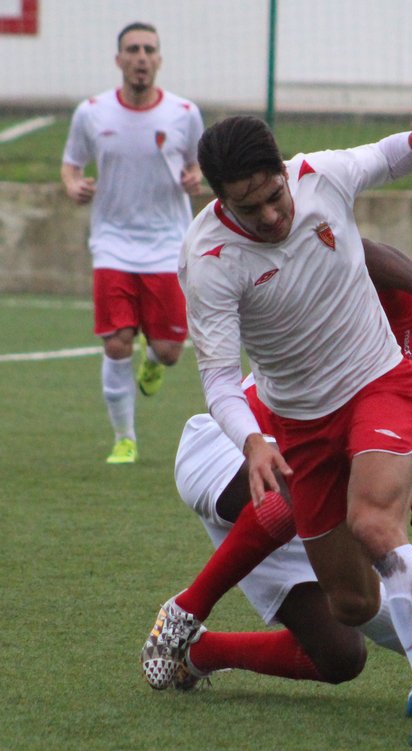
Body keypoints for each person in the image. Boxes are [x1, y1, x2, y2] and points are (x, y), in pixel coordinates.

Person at [176, 96, 412, 748]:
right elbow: (219, 379)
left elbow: (388, 157)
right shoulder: (207, 259)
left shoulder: (321, 176)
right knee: (351, 603)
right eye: (249, 208)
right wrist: (254, 440)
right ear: (219, 201)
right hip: (300, 425)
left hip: (380, 384)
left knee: (376, 523)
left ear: (283, 172)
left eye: (274, 197)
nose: (271, 216)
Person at [61, 22, 204, 464]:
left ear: (158, 59)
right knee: (117, 342)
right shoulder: (92, 113)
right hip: (112, 243)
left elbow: (198, 165)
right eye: (133, 49)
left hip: (167, 244)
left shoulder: (184, 113)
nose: (141, 57)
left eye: (148, 50)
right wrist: (73, 185)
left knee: (169, 352)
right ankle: (124, 438)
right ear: (119, 59)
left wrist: (195, 177)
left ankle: (154, 362)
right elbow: (71, 164)